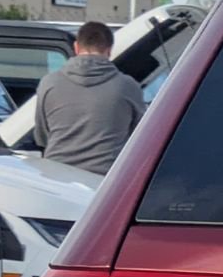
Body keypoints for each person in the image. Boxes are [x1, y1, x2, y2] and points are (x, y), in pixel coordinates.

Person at [31, 20, 142, 174]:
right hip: (105, 178)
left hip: (57, 175)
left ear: (76, 47)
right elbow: (140, 136)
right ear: (109, 50)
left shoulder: (49, 83)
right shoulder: (128, 87)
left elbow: (42, 136)